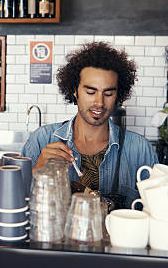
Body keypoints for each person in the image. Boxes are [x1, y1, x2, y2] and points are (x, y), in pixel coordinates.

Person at [21, 42, 158, 208]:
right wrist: (37, 172)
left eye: (108, 93)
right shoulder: (41, 140)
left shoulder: (139, 150)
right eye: (90, 92)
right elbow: (18, 206)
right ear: (74, 90)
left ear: (118, 95)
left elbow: (156, 211)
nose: (99, 102)